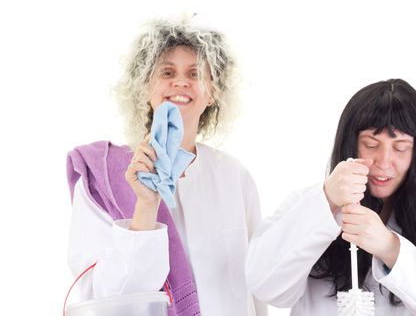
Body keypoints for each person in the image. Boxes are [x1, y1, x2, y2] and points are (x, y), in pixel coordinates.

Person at [67, 18, 267, 316]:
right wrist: (145, 206)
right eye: (167, 72)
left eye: (195, 73)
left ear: (212, 92)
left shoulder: (234, 175)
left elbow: (256, 285)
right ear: (145, 87)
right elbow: (103, 297)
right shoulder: (102, 176)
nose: (181, 82)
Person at [246, 79, 416, 315]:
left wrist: (392, 249)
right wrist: (326, 201)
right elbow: (264, 286)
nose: (383, 162)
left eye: (400, 148)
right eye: (371, 144)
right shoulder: (308, 202)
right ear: (351, 144)